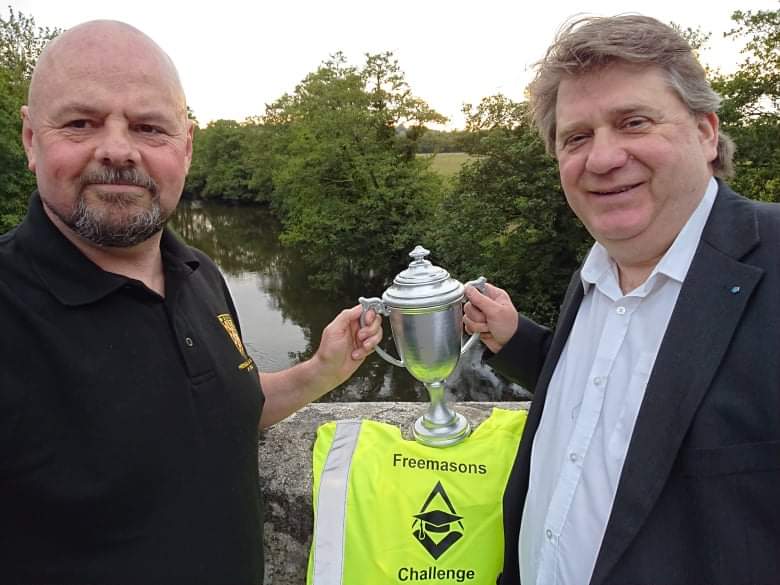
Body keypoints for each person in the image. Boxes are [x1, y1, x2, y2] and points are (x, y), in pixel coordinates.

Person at [0, 20, 381, 585]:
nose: (118, 150)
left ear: (186, 146)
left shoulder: (199, 272)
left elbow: (221, 409)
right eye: (81, 122)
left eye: (149, 127)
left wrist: (321, 370)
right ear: (32, 139)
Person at [463, 14, 780, 585]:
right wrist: (516, 339)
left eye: (633, 122)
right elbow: (618, 396)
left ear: (706, 133)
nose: (602, 159)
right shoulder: (596, 273)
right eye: (576, 137)